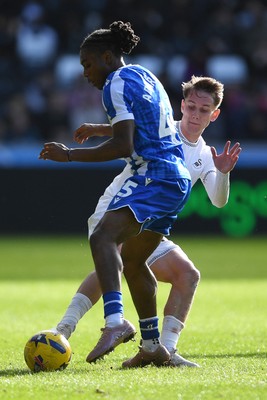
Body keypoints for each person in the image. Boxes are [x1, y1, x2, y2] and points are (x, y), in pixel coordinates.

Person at [52, 75, 241, 368]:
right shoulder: (163, 132)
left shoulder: (205, 155)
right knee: (118, 262)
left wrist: (224, 172)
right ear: (181, 105)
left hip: (149, 224)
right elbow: (128, 131)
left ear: (214, 115)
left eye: (204, 110)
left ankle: (162, 350)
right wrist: (98, 131)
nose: (195, 114)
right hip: (121, 207)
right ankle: (64, 329)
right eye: (191, 106)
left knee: (186, 275)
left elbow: (218, 200)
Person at [39, 21, 192, 368]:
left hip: (153, 174)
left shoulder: (113, 84)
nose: (86, 73)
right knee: (136, 264)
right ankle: (153, 346)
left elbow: (124, 145)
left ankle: (115, 322)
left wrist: (69, 155)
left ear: (107, 57)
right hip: (176, 178)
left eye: (88, 64)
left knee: (102, 236)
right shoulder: (144, 75)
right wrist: (101, 128)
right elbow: (146, 127)